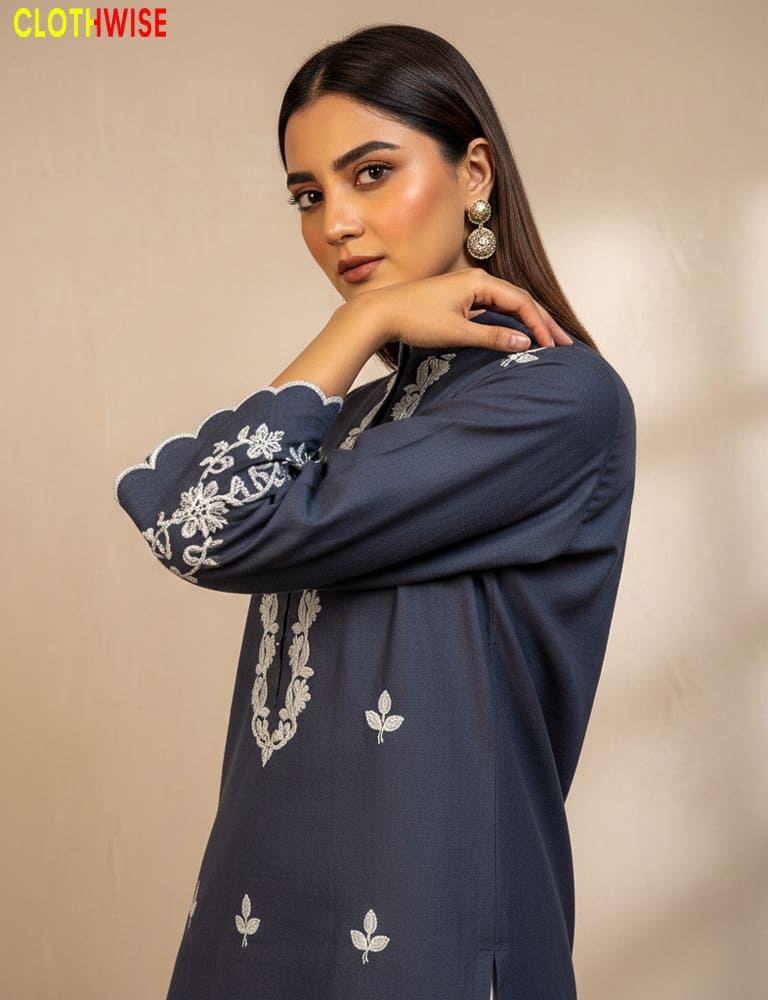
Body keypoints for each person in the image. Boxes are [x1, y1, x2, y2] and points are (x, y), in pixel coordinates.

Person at [113, 23, 636, 1000]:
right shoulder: (344, 418)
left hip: (431, 944)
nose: (335, 225)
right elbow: (195, 519)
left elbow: (202, 521)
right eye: (309, 196)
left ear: (473, 172)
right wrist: (368, 328)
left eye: (369, 173)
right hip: (249, 933)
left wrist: (357, 320)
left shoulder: (559, 403)